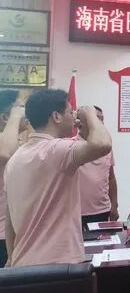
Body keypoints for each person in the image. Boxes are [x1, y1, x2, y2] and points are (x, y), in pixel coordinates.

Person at [4, 90, 112, 267]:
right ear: (56, 116)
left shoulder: (16, 158)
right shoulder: (57, 150)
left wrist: (11, 257)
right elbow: (102, 144)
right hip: (58, 264)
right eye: (70, 112)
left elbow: (9, 220)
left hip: (23, 262)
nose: (74, 118)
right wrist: (91, 115)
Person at [78, 106, 119, 226]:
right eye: (96, 118)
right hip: (76, 212)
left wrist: (114, 206)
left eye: (102, 119)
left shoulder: (106, 148)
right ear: (80, 122)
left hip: (102, 210)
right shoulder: (70, 146)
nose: (100, 122)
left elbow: (111, 178)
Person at [0, 90, 27, 266]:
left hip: (13, 230)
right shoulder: (5, 143)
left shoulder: (16, 141)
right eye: (21, 107)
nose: (26, 113)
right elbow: (6, 153)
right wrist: (16, 115)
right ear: (5, 117)